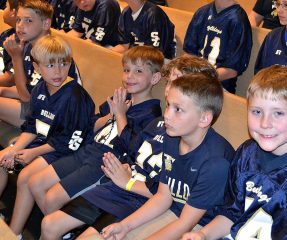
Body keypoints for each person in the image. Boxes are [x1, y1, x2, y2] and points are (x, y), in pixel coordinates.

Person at [39, 55, 221, 240]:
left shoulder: (190, 141)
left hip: (138, 198)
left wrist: (128, 182)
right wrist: (125, 165)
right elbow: (132, 151)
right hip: (120, 188)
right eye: (169, 82)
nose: (169, 88)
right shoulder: (162, 124)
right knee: (49, 224)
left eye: (178, 82)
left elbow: (165, 196)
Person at [27, 45, 163, 238]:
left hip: (105, 162)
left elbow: (132, 150)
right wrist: (110, 116)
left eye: (138, 71)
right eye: (126, 70)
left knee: (52, 198)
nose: (129, 76)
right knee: (38, 186)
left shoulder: (151, 114)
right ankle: (64, 231)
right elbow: (91, 125)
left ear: (155, 78)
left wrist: (121, 115)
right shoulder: (121, 97)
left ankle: (64, 230)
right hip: (88, 150)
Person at [182, 65, 287, 240]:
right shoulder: (246, 152)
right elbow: (231, 214)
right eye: (257, 112)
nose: (265, 123)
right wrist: (203, 234)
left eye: (278, 113)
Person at [96, 73, 234, 240]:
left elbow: (186, 223)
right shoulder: (172, 138)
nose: (167, 114)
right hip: (175, 210)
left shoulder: (216, 163)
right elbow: (163, 196)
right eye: (168, 105)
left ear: (204, 118)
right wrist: (125, 226)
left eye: (178, 109)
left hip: (202, 225)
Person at [0, 35, 95, 239]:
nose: (58, 71)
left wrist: (32, 152)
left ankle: (15, 232)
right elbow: (32, 126)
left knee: (26, 177)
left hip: (68, 151)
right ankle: (8, 228)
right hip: (46, 143)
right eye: (50, 65)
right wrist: (15, 149)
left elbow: (69, 141)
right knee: (3, 158)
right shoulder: (40, 89)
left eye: (63, 63)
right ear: (36, 67)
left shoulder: (74, 97)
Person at [0, 0, 81, 128]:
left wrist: (16, 58)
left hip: (56, 118)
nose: (20, 25)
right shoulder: (29, 47)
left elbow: (27, 98)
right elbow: (30, 89)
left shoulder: (51, 52)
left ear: (46, 23)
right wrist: (3, 91)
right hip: (39, 108)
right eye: (19, 20)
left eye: (28, 20)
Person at [183, 0, 252, 94]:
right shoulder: (202, 12)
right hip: (195, 80)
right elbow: (189, 53)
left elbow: (231, 71)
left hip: (219, 87)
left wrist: (201, 79)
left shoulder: (238, 20)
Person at [111, 0, 176, 60]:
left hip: (159, 61)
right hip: (137, 57)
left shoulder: (154, 14)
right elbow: (124, 46)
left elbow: (155, 53)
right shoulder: (126, 12)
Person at [0, 0, 18, 87]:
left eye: (6, 7)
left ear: (13, 12)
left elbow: (10, 79)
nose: (4, 10)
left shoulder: (23, 41)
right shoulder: (8, 33)